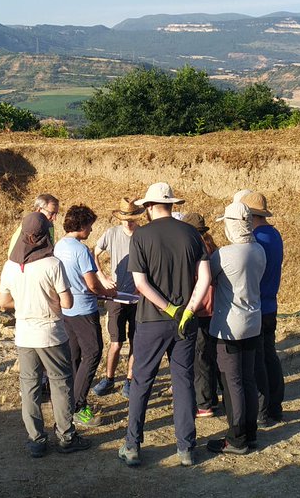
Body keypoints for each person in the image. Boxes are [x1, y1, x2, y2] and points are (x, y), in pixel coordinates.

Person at [118, 182, 211, 468]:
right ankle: (186, 448)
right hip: (186, 321)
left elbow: (140, 283)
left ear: (147, 207)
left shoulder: (141, 237)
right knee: (183, 382)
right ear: (171, 204)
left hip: (151, 321)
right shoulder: (192, 234)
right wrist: (188, 309)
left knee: (142, 381)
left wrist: (167, 307)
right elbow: (205, 278)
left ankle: (133, 445)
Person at [0, 211, 90, 457]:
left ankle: (36, 440)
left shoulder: (10, 266)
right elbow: (68, 302)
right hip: (51, 333)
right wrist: (47, 302)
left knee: (29, 387)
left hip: (24, 335)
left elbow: (4, 302)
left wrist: (26, 303)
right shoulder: (52, 264)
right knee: (60, 384)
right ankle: (66, 436)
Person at [205, 200, 266, 455]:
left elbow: (207, 277)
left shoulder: (225, 255)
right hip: (253, 322)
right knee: (248, 378)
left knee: (232, 383)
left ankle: (236, 438)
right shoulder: (259, 250)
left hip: (229, 326)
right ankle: (250, 433)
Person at [54, 204, 115, 427]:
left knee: (73, 356)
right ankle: (78, 406)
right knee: (93, 353)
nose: (91, 231)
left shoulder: (59, 246)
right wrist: (108, 293)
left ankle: (66, 403)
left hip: (66, 308)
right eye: (89, 226)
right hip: (84, 309)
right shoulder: (81, 250)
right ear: (80, 226)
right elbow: (92, 284)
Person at [92, 198, 145, 399]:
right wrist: (102, 276)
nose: (127, 222)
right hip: (115, 296)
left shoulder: (144, 235)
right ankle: (109, 378)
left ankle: (130, 380)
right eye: (124, 218)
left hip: (138, 298)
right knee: (115, 342)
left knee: (135, 341)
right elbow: (94, 254)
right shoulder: (111, 233)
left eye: (131, 218)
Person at [241, 191, 286, 426]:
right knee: (270, 355)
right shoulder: (274, 234)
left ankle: (263, 410)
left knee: (257, 361)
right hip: (271, 303)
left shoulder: (255, 239)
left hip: (256, 305)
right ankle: (276, 406)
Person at [180, 212, 220, 418]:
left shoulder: (196, 250)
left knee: (200, 358)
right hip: (214, 311)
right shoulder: (212, 248)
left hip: (200, 310)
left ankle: (204, 404)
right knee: (209, 357)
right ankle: (211, 398)